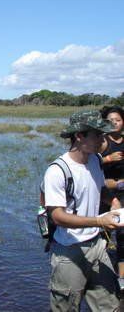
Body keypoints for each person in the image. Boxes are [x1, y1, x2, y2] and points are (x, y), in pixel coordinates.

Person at [44, 109, 121, 311]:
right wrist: (98, 221)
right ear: (79, 136)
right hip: (69, 250)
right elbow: (57, 216)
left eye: (103, 134)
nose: (102, 140)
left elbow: (99, 188)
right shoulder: (57, 171)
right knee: (66, 306)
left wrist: (112, 200)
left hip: (97, 245)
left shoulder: (95, 160)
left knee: (110, 304)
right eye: (97, 134)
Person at [100, 105, 124, 290]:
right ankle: (100, 274)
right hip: (103, 195)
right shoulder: (101, 142)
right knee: (102, 235)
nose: (115, 123)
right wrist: (108, 160)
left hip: (122, 195)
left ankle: (121, 279)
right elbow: (89, 169)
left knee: (123, 236)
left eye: (118, 119)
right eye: (110, 121)